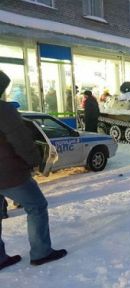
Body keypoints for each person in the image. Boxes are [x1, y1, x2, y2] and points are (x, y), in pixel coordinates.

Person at [0, 71, 67, 270]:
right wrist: (36, 161)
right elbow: (21, 140)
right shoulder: (4, 110)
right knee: (37, 206)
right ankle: (41, 253)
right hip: (9, 173)